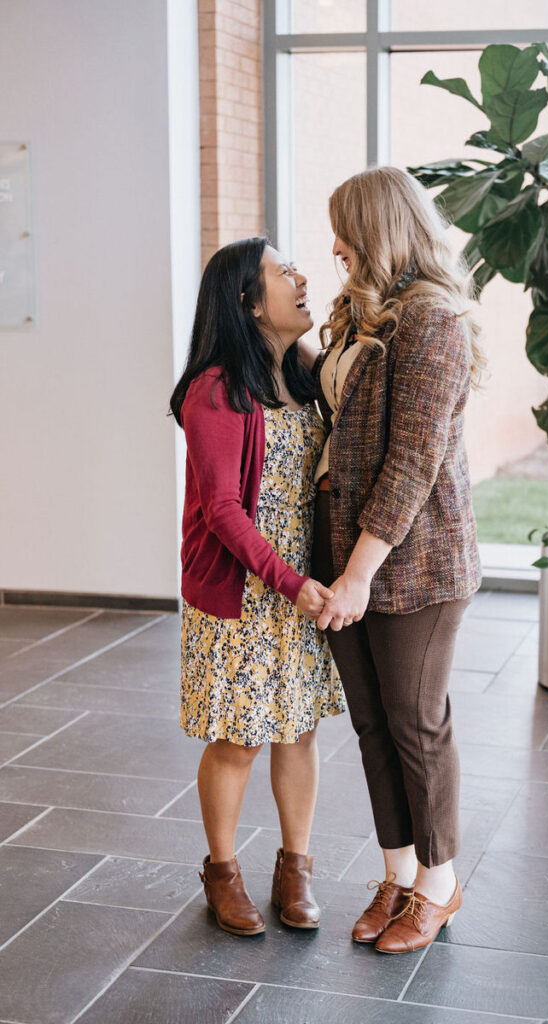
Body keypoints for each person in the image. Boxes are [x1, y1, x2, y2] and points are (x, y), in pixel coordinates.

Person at [299, 166, 484, 955]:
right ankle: (398, 874)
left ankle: (440, 887)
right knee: (373, 722)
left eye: (344, 227)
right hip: (347, 551)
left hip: (412, 564)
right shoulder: (359, 313)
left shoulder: (435, 320)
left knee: (415, 720)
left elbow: (412, 461)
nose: (334, 243)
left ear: (378, 227)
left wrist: (356, 576)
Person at [170, 238, 345, 937]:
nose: (301, 279)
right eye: (284, 272)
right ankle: (222, 871)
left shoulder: (304, 374)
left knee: (297, 732)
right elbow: (222, 508)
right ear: (247, 299)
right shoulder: (215, 389)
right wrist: (289, 581)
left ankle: (294, 868)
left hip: (300, 589)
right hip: (245, 591)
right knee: (239, 738)